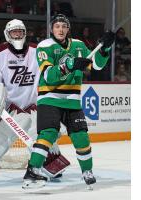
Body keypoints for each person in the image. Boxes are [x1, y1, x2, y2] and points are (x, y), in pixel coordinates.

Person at [0, 19, 70, 184]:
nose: (17, 35)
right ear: (7, 34)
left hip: (34, 104)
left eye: (20, 31)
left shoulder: (37, 50)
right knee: (1, 137)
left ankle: (51, 165)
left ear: (25, 33)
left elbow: (51, 69)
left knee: (41, 135)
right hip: (10, 106)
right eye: (13, 32)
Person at [22, 14, 115, 189]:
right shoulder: (45, 46)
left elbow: (97, 65)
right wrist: (70, 64)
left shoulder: (79, 45)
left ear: (68, 29)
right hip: (50, 98)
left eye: (64, 26)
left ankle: (87, 172)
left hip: (72, 100)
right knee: (48, 134)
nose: (60, 29)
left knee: (81, 137)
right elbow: (49, 76)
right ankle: (33, 170)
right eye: (57, 26)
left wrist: (104, 49)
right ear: (51, 29)